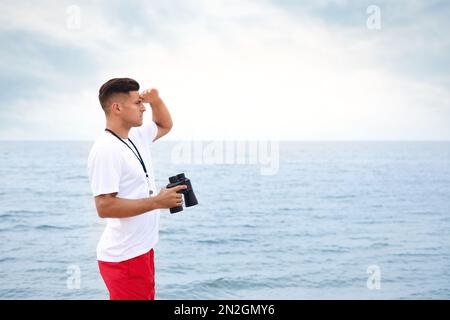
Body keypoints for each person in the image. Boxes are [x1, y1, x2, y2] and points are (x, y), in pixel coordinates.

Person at [87, 78, 186, 300]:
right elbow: (104, 206)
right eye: (137, 103)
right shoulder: (105, 149)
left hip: (141, 250)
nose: (143, 108)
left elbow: (164, 125)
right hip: (125, 258)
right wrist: (157, 202)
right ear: (117, 108)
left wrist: (156, 100)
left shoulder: (134, 136)